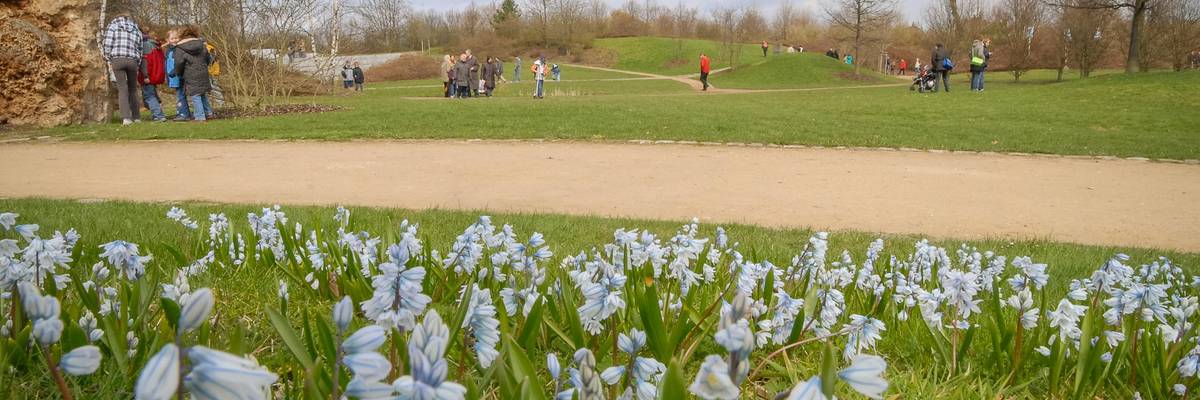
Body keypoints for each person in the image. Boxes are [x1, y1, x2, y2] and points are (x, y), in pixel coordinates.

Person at [102, 12, 144, 125]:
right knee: (133, 89)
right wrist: (138, 63)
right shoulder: (136, 29)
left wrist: (108, 58)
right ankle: (137, 117)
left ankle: (126, 118)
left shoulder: (113, 26)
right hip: (132, 60)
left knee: (122, 89)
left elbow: (107, 44)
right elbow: (140, 48)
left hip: (117, 59)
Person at [173, 26, 213, 122]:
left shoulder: (179, 48)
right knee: (202, 93)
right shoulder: (202, 45)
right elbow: (208, 58)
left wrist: (177, 72)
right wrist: (203, 66)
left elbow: (179, 63)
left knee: (195, 94)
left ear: (181, 35)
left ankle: (200, 117)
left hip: (190, 72)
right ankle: (209, 113)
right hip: (203, 71)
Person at [138, 27, 167, 122]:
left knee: (149, 96)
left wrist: (145, 76)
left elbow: (145, 62)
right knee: (153, 94)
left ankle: (158, 116)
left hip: (148, 76)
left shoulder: (146, 45)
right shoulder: (157, 46)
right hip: (156, 74)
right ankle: (160, 113)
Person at [164, 29, 190, 121]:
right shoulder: (168, 51)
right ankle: (182, 112)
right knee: (179, 95)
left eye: (176, 38)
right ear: (168, 40)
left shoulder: (179, 49)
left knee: (180, 95)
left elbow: (180, 63)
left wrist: (175, 72)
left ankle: (183, 114)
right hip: (172, 77)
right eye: (172, 38)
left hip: (179, 76)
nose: (174, 40)